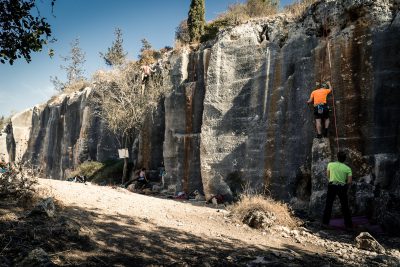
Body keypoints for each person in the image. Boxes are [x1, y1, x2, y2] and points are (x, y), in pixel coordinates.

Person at [322, 151, 353, 229]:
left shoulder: (330, 165)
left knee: (328, 205)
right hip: (342, 187)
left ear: (337, 157)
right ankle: (349, 226)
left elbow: (328, 176)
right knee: (345, 206)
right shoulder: (348, 169)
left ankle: (325, 223)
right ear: (345, 159)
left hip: (332, 186)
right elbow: (349, 182)